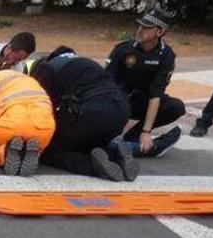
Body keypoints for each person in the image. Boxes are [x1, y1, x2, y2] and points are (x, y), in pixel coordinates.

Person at [32, 46, 137, 181]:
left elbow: (44, 110)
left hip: (92, 112)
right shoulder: (87, 63)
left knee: (48, 150)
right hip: (122, 110)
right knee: (88, 142)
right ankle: (115, 152)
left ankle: (92, 166)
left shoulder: (48, 68)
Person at [106, 7, 183, 157]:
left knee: (176, 107)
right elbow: (106, 82)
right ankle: (114, 139)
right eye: (140, 25)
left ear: (159, 32)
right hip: (119, 99)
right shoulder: (123, 49)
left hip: (144, 100)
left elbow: (156, 93)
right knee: (118, 102)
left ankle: (134, 137)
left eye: (146, 27)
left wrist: (146, 132)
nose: (140, 30)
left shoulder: (166, 55)